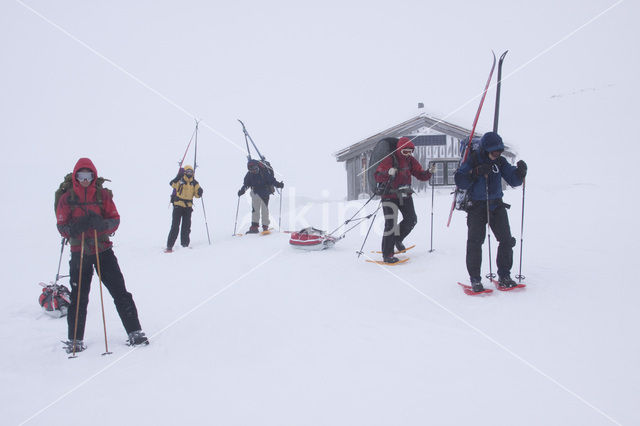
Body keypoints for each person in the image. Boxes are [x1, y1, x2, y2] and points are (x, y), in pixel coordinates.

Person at [56, 158, 147, 353]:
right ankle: (75, 340)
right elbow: (61, 226)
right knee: (79, 297)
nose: (85, 179)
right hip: (79, 252)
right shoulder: (67, 198)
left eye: (89, 175)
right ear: (75, 177)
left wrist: (103, 225)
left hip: (103, 250)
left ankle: (135, 331)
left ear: (94, 176)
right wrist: (74, 228)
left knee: (120, 292)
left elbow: (115, 219)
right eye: (81, 175)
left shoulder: (102, 195)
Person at [454, 132, 528, 292]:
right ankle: (475, 279)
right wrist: (475, 172)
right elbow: (460, 180)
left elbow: (513, 180)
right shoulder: (473, 159)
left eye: (500, 151)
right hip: (477, 207)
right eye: (494, 152)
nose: (498, 155)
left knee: (506, 240)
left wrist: (520, 173)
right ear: (486, 149)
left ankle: (504, 276)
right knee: (475, 243)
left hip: (496, 205)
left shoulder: (500, 162)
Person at [374, 137, 433, 263]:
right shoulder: (390, 159)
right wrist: (388, 172)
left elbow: (420, 174)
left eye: (410, 151)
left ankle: (397, 239)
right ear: (399, 149)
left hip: (405, 195)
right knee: (390, 224)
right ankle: (387, 254)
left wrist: (429, 172)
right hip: (389, 195)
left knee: (411, 219)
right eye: (405, 151)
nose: (408, 154)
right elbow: (377, 176)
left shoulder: (410, 161)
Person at [237, 159, 284, 233]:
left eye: (255, 169)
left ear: (257, 166)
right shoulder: (249, 175)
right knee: (255, 210)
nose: (254, 171)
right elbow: (246, 185)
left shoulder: (264, 172)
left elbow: (272, 180)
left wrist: (279, 185)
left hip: (265, 192)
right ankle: (254, 227)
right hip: (255, 193)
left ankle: (265, 226)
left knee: (264, 209)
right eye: (252, 170)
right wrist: (242, 191)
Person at [166, 165, 202, 251]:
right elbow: (172, 184)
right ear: (185, 172)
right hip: (178, 205)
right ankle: (170, 246)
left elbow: (196, 195)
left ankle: (185, 244)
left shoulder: (194, 183)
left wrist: (200, 192)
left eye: (191, 172)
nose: (190, 173)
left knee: (186, 226)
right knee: (175, 226)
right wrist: (178, 177)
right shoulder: (180, 180)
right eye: (188, 172)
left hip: (188, 207)